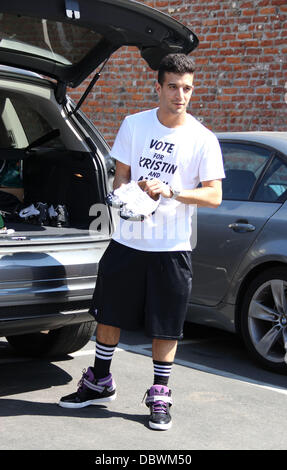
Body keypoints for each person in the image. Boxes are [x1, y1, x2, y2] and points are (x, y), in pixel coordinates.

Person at [58, 53, 225, 431]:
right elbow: (120, 180)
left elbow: (213, 195)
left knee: (166, 326)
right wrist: (132, 201)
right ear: (159, 87)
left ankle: (160, 394)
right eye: (173, 87)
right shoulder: (134, 125)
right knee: (108, 314)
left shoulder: (202, 138)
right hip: (128, 242)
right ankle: (100, 381)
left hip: (172, 249)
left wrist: (172, 191)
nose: (180, 95)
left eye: (187, 88)